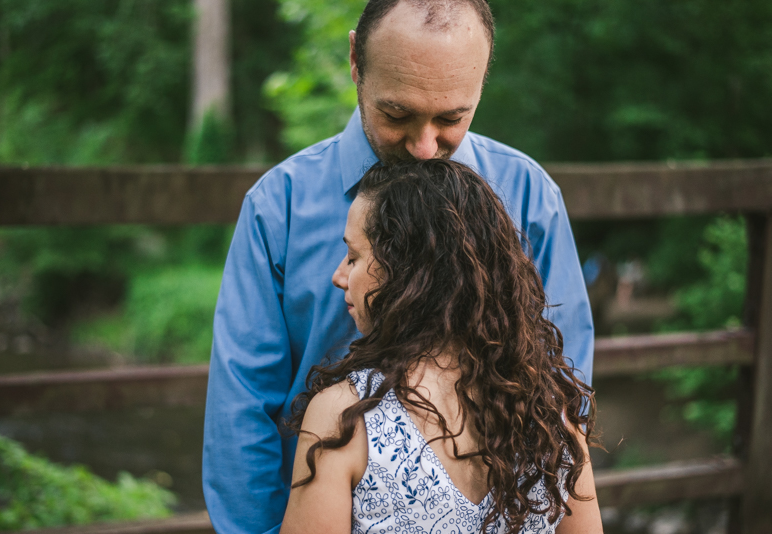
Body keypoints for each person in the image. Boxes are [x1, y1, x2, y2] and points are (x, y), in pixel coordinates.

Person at [203, 1, 594, 532]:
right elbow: (240, 415)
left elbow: (559, 389)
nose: (426, 147)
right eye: (397, 115)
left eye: (452, 118)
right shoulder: (281, 207)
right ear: (356, 64)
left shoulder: (529, 200)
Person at [280, 160, 601, 534]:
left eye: (353, 256)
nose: (339, 277)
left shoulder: (346, 419)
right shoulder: (552, 416)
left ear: (406, 272)